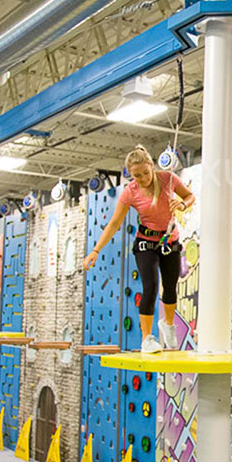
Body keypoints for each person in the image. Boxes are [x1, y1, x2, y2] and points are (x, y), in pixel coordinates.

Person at [83, 145, 195, 354]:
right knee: (151, 286)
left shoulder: (167, 179)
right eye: (137, 176)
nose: (143, 178)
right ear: (130, 175)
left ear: (152, 166)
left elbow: (190, 196)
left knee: (171, 287)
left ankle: (167, 325)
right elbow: (114, 223)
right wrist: (95, 250)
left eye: (146, 172)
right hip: (146, 243)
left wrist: (182, 205)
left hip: (170, 240)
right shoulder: (130, 192)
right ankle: (147, 339)